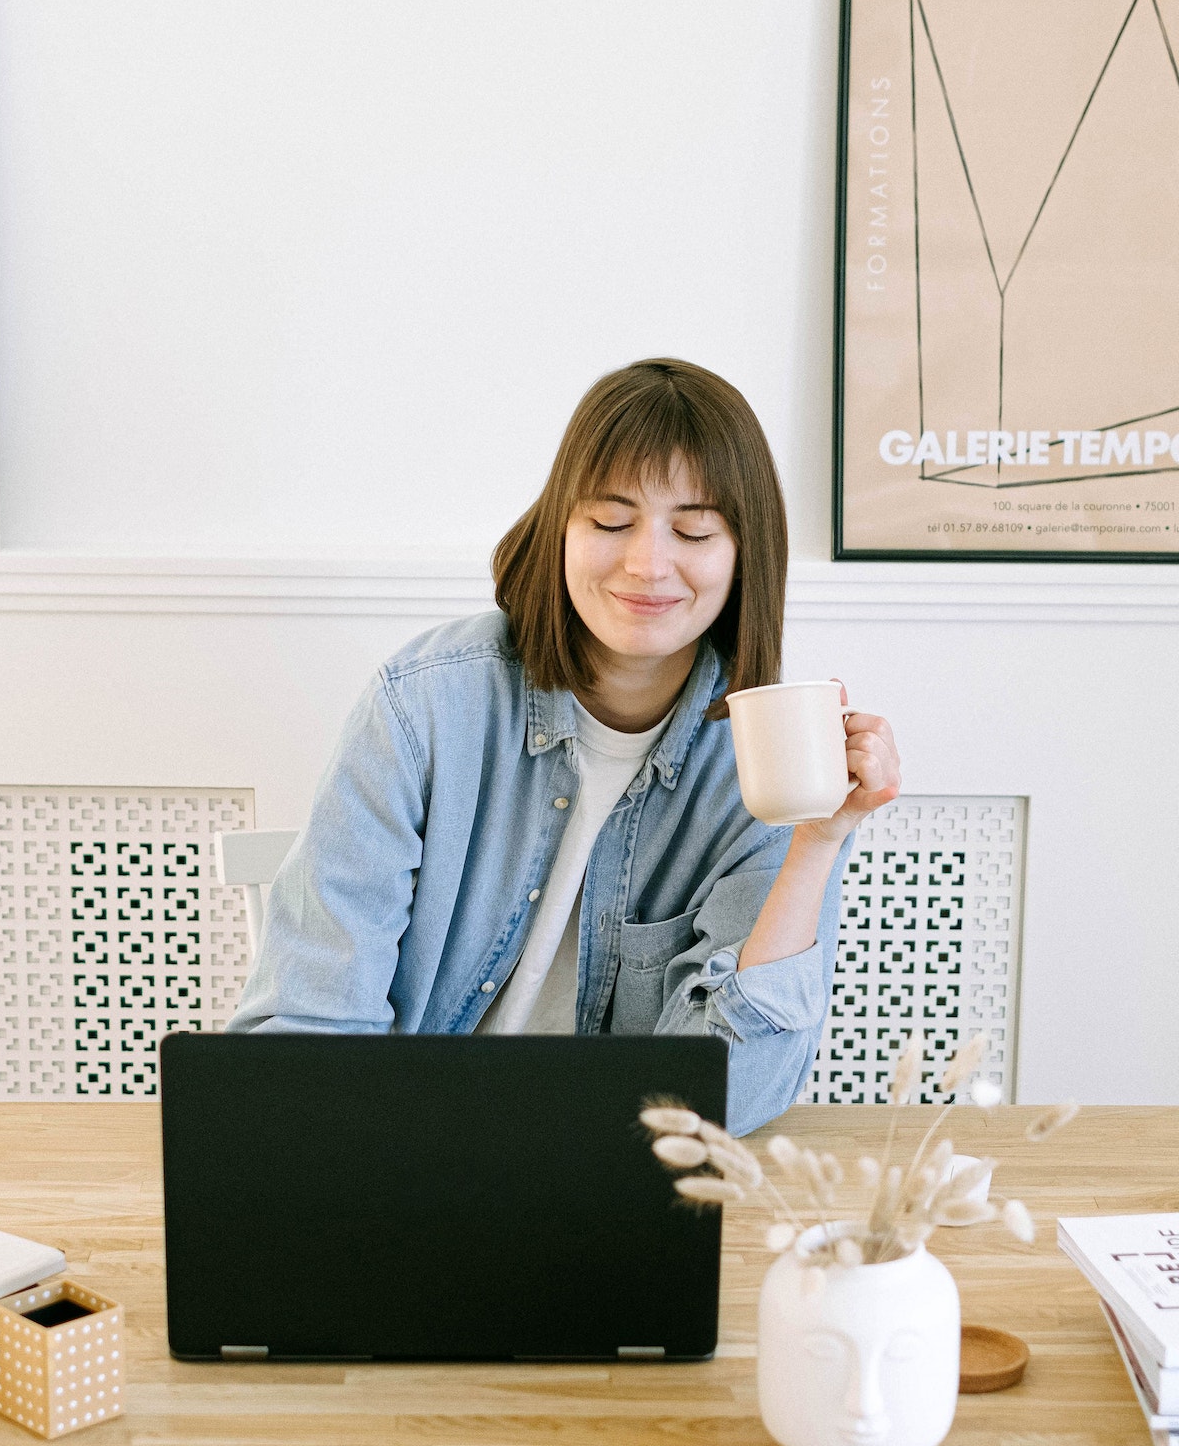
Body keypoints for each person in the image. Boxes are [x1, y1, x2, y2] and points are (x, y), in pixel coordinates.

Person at [228, 358, 900, 1133]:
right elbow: (308, 1035)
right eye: (610, 521)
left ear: (745, 552)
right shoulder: (425, 704)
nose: (647, 564)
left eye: (693, 529)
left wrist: (816, 841)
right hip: (402, 1148)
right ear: (559, 529)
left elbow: (725, 1100)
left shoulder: (772, 758)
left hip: (612, 1176)